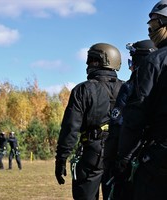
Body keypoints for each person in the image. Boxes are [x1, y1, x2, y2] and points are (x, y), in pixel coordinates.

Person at [55, 43, 123, 200]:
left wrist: (61, 157)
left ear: (102, 62)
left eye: (91, 59)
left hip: (92, 153)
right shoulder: (127, 88)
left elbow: (70, 127)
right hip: (119, 153)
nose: (87, 64)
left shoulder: (83, 90)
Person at [114, 1, 167, 200]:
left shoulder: (154, 62)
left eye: (154, 25)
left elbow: (136, 115)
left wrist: (123, 159)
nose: (150, 32)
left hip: (159, 157)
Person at [103, 40, 157, 200]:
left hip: (132, 160)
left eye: (132, 59)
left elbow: (119, 125)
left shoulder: (131, 86)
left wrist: (116, 162)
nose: (130, 65)